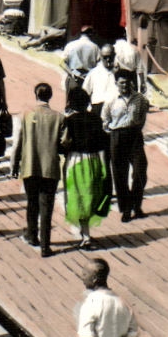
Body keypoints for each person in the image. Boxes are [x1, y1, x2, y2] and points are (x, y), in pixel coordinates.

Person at [11, 82, 65, 256]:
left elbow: (17, 142)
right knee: (47, 207)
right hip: (50, 167)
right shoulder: (59, 117)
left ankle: (32, 235)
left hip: (29, 165)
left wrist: (14, 163)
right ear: (50, 96)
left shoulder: (26, 115)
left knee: (32, 202)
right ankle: (45, 245)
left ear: (36, 95)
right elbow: (64, 144)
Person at [59, 86, 110, 249]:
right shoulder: (96, 119)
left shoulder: (70, 121)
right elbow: (103, 143)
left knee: (77, 197)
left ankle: (85, 234)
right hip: (93, 160)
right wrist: (103, 167)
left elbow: (64, 144)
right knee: (90, 196)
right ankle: (87, 233)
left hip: (76, 161)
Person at [104, 71, 150, 220]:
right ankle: (126, 208)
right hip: (117, 136)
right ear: (116, 83)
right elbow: (105, 119)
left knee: (140, 171)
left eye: (127, 82)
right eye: (121, 82)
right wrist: (112, 132)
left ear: (131, 82)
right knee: (119, 174)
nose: (124, 85)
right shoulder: (111, 100)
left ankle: (137, 204)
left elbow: (143, 114)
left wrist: (138, 127)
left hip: (135, 136)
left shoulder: (140, 99)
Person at [62, 27, 103, 95]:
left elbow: (62, 63)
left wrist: (72, 73)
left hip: (73, 78)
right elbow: (99, 66)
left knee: (71, 101)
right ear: (90, 34)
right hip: (88, 79)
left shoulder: (70, 45)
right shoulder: (95, 47)